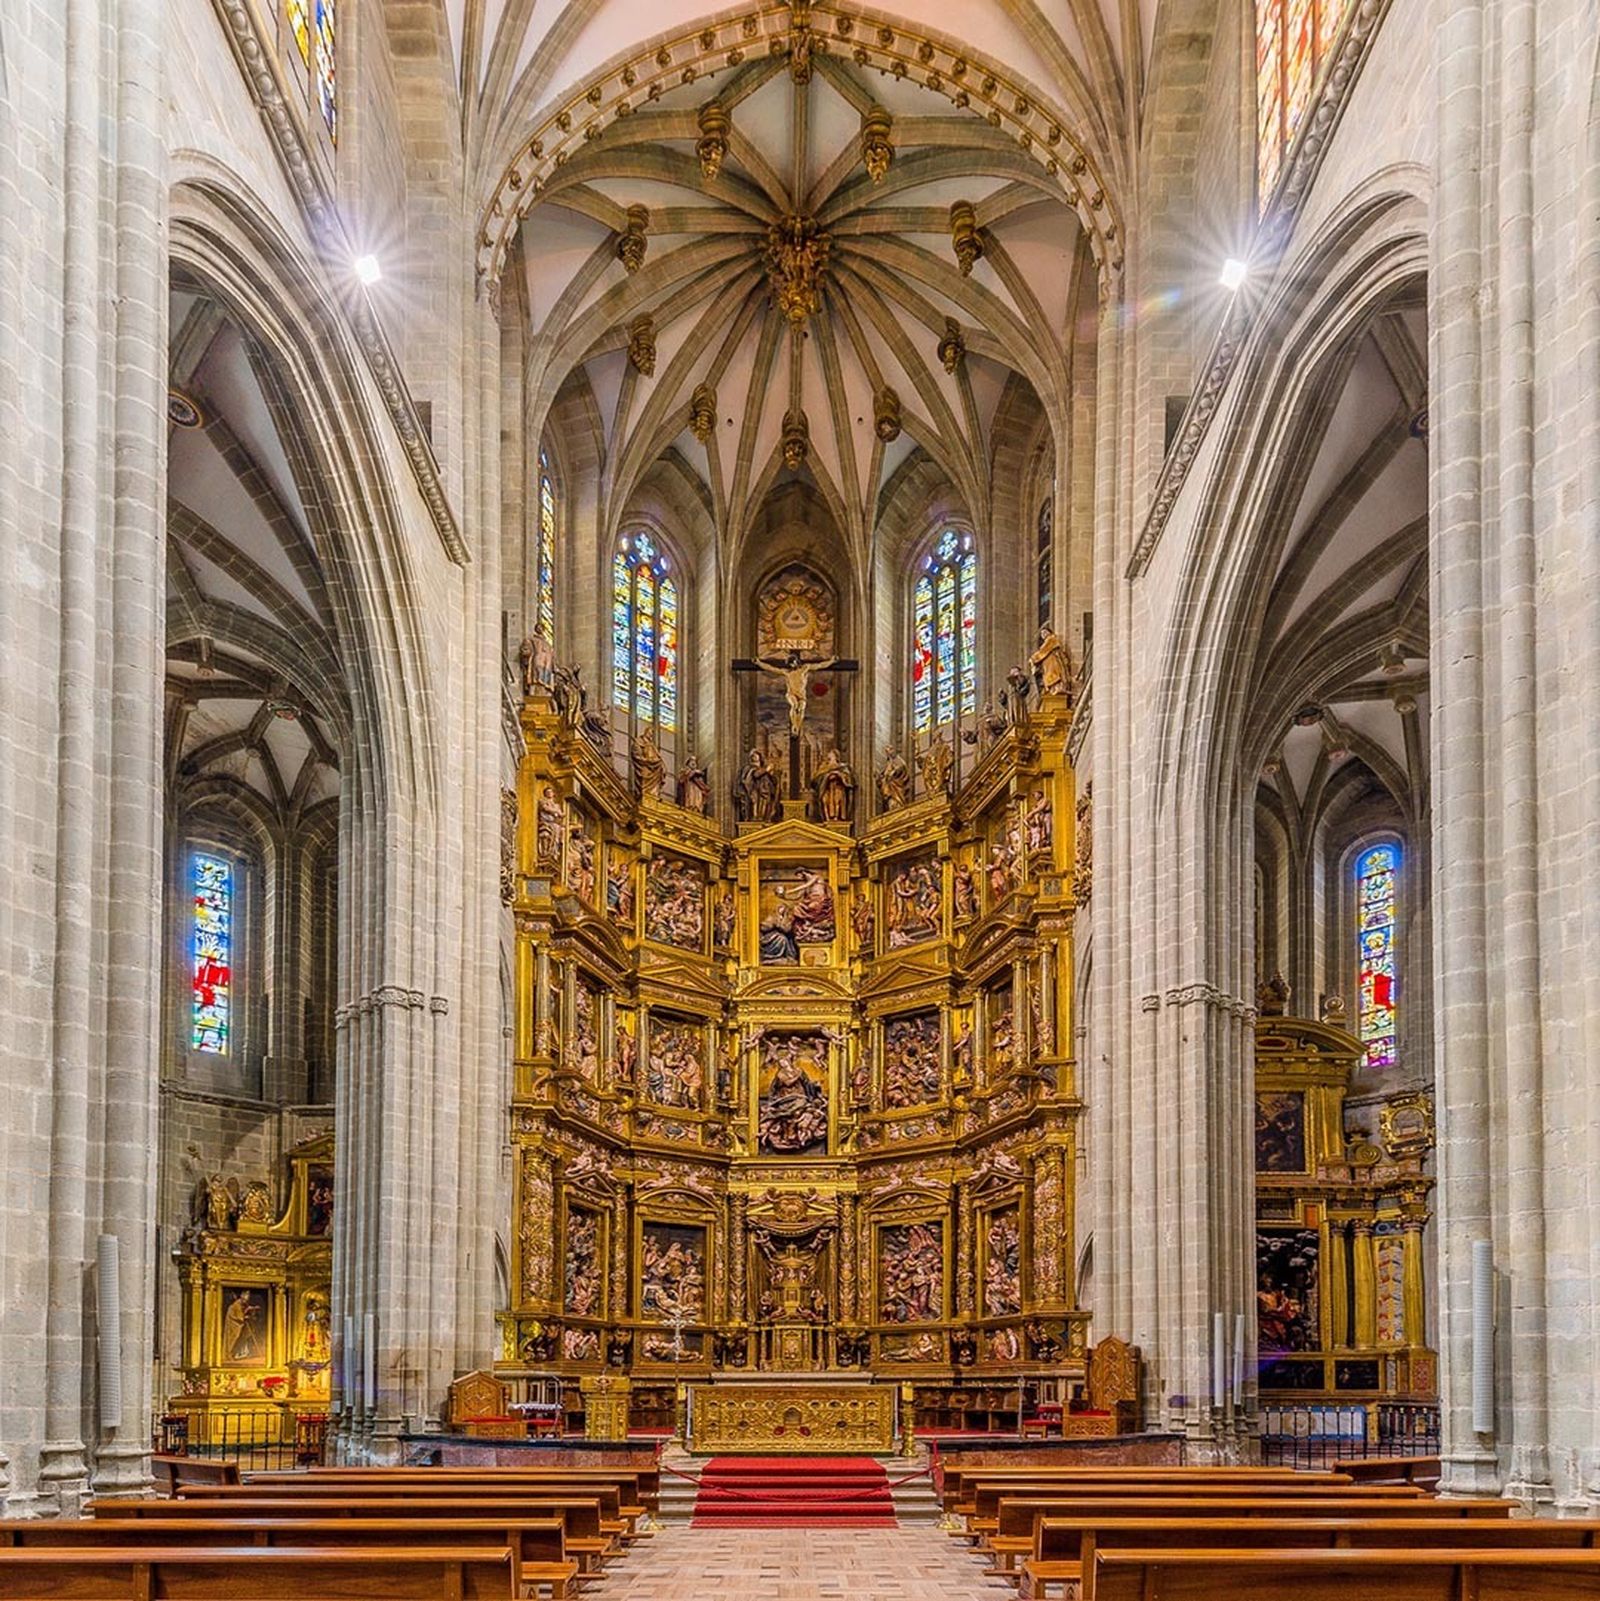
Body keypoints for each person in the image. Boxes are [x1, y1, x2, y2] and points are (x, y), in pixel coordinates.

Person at [811, 747, 856, 823]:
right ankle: (827, 818)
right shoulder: (823, 768)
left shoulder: (842, 767)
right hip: (827, 789)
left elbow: (849, 779)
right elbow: (816, 779)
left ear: (836, 757)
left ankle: (837, 817)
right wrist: (827, 777)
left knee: (838, 801)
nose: (829, 758)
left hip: (838, 787)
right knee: (825, 802)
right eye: (829, 757)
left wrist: (839, 775)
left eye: (831, 756)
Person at [735, 747, 780, 822]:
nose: (754, 756)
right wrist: (766, 770)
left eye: (756, 754)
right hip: (755, 791)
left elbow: (773, 781)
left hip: (765, 791)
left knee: (765, 805)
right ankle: (754, 818)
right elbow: (755, 775)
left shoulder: (762, 768)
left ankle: (764, 818)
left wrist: (771, 775)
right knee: (755, 804)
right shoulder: (749, 768)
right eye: (752, 755)